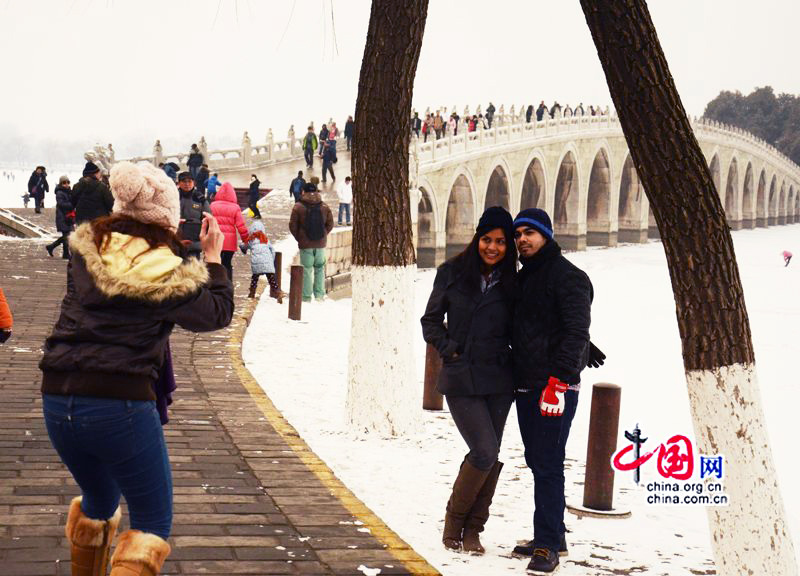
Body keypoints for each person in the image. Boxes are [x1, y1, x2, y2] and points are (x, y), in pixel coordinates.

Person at [39, 161, 233, 576]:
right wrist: (214, 258)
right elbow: (215, 314)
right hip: (119, 404)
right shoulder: (164, 268)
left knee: (99, 500)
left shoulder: (87, 250)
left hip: (57, 399)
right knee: (151, 524)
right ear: (165, 215)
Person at [421, 206, 517, 555]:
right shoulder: (451, 273)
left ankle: (474, 530)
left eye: (501, 242)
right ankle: (454, 522)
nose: (493, 247)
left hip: (499, 380)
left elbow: (533, 326)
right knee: (484, 451)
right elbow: (430, 321)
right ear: (477, 238)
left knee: (490, 454)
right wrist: (450, 349)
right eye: (487, 239)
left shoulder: (513, 283)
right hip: (461, 378)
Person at [509, 208, 593, 574]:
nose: (522, 240)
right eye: (517, 234)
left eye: (529, 232)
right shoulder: (525, 276)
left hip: (554, 387)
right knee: (539, 460)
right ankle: (553, 533)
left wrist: (558, 382)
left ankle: (546, 546)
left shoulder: (569, 277)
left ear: (546, 234)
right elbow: (539, 326)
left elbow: (576, 332)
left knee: (547, 464)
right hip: (527, 384)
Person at [289, 182, 334, 302]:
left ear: (303, 192)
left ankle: (306, 297)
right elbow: (330, 224)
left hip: (306, 245)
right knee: (319, 269)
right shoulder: (324, 206)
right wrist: (323, 235)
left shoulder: (298, 206)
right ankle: (319, 296)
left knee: (307, 270)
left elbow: (292, 225)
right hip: (320, 245)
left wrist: (300, 238)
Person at [210, 181, 250, 280]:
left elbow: (206, 222)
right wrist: (246, 240)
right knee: (227, 263)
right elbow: (241, 226)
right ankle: (228, 284)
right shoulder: (235, 207)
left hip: (215, 239)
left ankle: (215, 284)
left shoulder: (212, 205)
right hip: (229, 242)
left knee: (215, 263)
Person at [240, 220, 284, 301]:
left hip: (256, 264)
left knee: (255, 279)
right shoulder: (265, 240)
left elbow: (244, 246)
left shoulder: (251, 240)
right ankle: (278, 292)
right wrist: (271, 260)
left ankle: (252, 293)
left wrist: (241, 246)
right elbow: (272, 251)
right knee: (271, 279)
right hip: (268, 263)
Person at [178, 171, 211, 258]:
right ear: (179, 183)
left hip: (194, 241)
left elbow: (208, 219)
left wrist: (207, 239)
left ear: (194, 183)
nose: (187, 184)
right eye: (184, 181)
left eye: (189, 181)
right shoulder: (173, 197)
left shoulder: (200, 198)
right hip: (176, 241)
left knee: (193, 268)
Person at [46, 175, 75, 259]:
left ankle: (52, 247)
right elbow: (61, 204)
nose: (66, 184)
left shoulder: (69, 191)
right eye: (64, 183)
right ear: (61, 183)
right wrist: (72, 205)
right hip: (62, 216)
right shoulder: (59, 192)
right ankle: (65, 253)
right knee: (66, 236)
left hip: (68, 217)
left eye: (68, 182)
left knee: (67, 236)